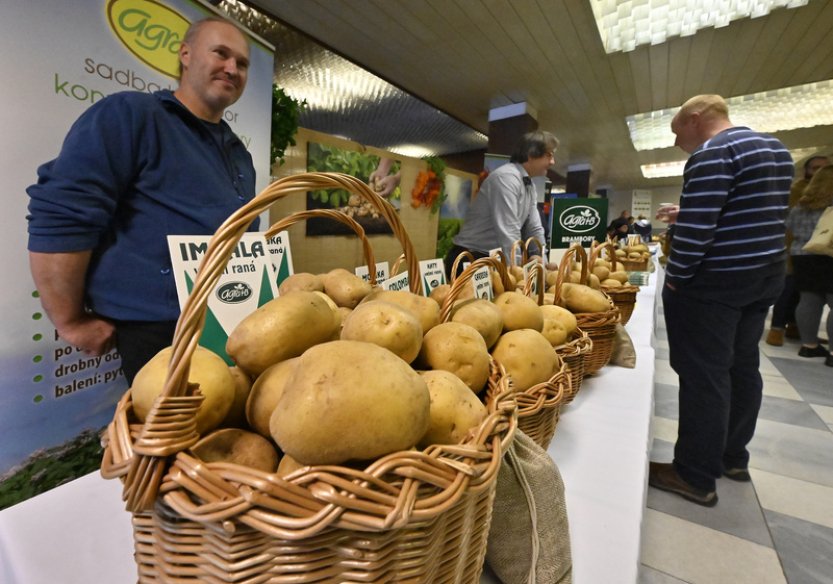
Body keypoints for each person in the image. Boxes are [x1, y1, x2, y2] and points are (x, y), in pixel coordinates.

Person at [27, 17, 257, 385]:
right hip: (157, 331)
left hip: (228, 318)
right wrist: (70, 321)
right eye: (221, 54)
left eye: (242, 63)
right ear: (186, 54)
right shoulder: (130, 115)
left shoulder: (237, 152)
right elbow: (63, 213)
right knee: (164, 436)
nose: (232, 68)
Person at [649, 95, 793, 507]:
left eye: (678, 132)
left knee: (704, 376)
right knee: (742, 366)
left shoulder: (713, 154)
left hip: (716, 284)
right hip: (764, 276)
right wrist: (688, 211)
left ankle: (694, 475)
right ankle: (733, 457)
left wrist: (675, 280)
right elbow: (750, 211)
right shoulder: (774, 149)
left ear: (696, 119)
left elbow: (697, 237)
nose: (679, 142)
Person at [444, 131, 558, 279]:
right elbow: (508, 231)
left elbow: (534, 228)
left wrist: (543, 263)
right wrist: (516, 275)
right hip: (471, 258)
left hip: (493, 259)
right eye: (549, 155)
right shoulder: (506, 178)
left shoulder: (529, 186)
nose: (552, 162)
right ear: (531, 154)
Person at [765, 154, 830, 345]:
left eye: (824, 168)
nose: (820, 172)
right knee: (792, 291)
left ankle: (801, 334)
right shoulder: (798, 192)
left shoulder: (807, 197)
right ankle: (778, 328)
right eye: (815, 168)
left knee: (807, 296)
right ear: (806, 170)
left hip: (805, 251)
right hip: (807, 251)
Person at [784, 165, 833, 366]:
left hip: (802, 255)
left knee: (808, 300)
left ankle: (809, 346)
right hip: (829, 256)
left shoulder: (801, 205)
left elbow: (789, 227)